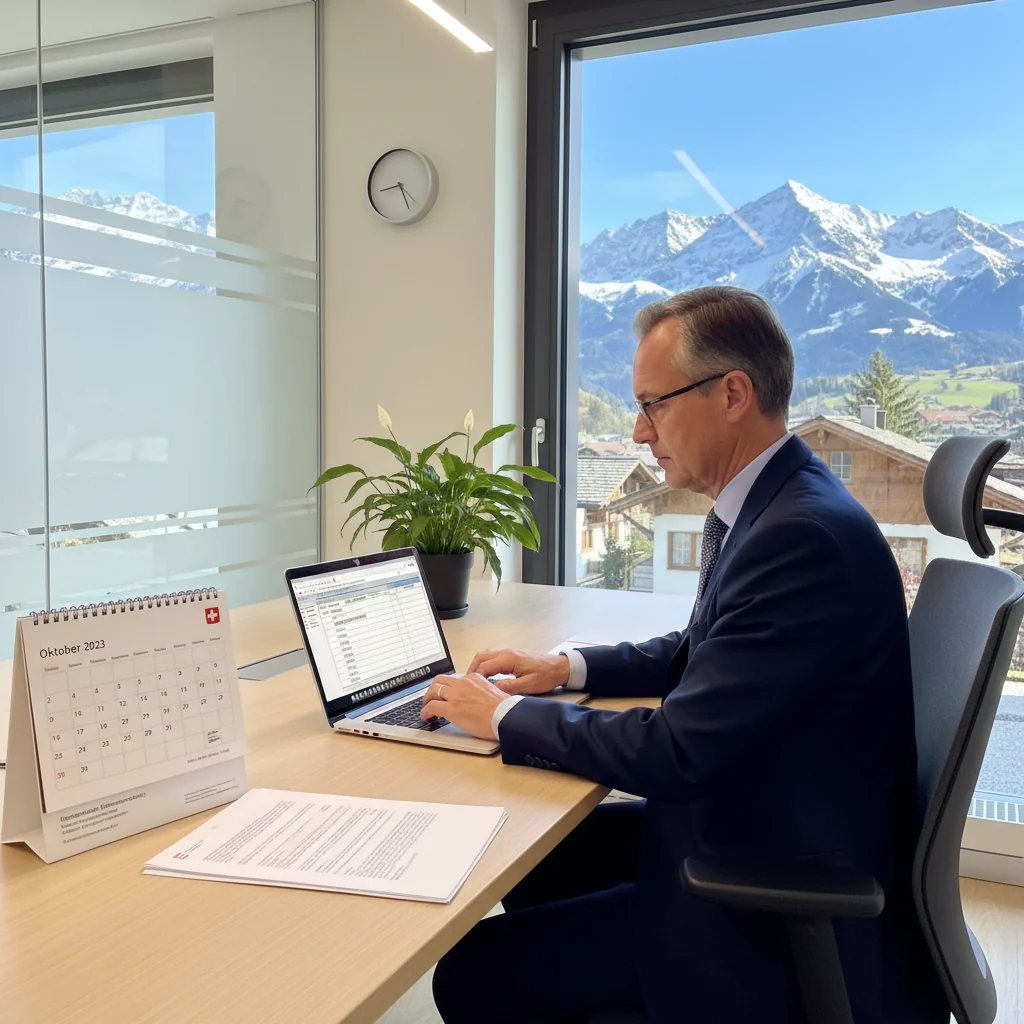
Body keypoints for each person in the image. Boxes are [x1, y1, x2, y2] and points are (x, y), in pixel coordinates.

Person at [419, 286, 946, 1024]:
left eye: (652, 405)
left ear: (732, 394)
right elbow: (707, 646)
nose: (639, 432)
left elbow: (676, 752)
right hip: (761, 825)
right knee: (537, 851)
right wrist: (568, 669)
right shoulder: (784, 504)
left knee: (471, 974)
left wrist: (504, 717)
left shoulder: (800, 540)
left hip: (762, 908)